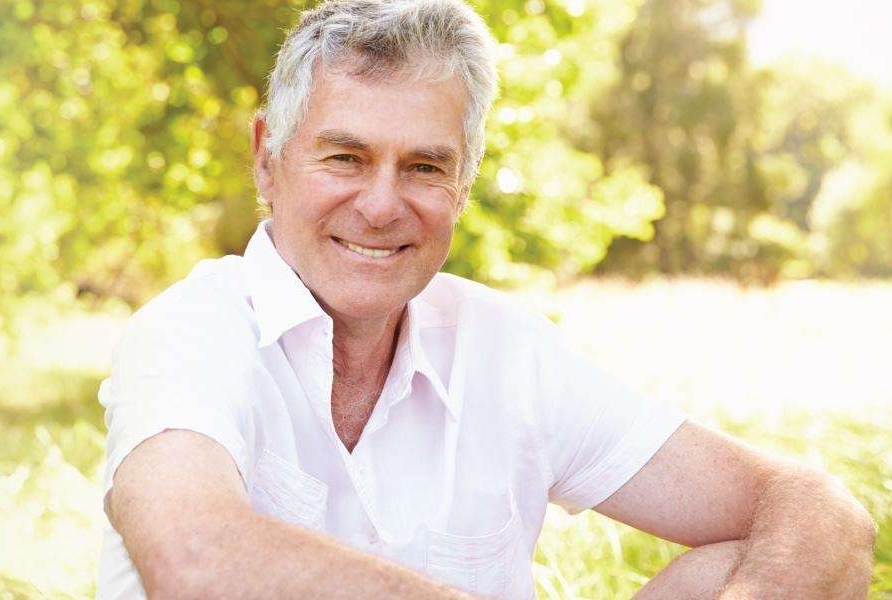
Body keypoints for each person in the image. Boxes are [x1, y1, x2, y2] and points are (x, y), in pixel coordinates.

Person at [95, 0, 876, 597]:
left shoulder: (504, 348)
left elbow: (817, 508)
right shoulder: (188, 333)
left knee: (748, 565)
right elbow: (195, 557)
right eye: (345, 157)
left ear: (464, 183)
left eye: (425, 168)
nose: (380, 204)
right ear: (268, 160)